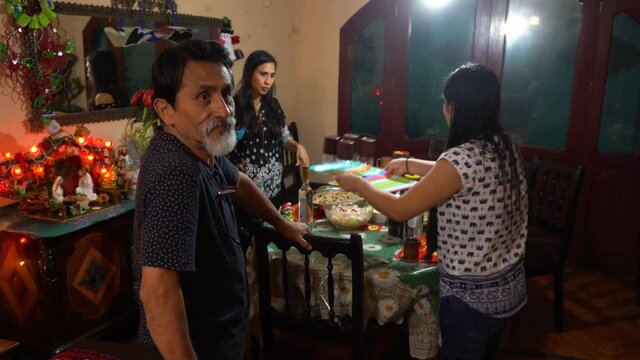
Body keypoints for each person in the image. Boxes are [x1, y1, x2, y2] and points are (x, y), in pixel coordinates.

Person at [335, 63, 528, 359]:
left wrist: (359, 184)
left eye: (446, 102)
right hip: (506, 290)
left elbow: (400, 209)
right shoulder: (504, 144)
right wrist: (411, 163)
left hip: (470, 301)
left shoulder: (460, 158)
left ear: (455, 106)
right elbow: (457, 175)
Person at [133, 39, 311, 359]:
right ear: (165, 110)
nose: (225, 109)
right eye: (204, 96)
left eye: (225, 92)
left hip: (222, 334)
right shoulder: (176, 171)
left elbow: (238, 181)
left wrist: (282, 224)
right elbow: (157, 292)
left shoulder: (202, 149)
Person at [228, 50, 309, 206]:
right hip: (246, 192)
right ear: (249, 73)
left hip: (276, 188)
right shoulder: (234, 107)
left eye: (272, 75)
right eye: (263, 74)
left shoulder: (273, 105)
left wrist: (297, 146)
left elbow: (284, 137)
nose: (268, 81)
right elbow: (225, 149)